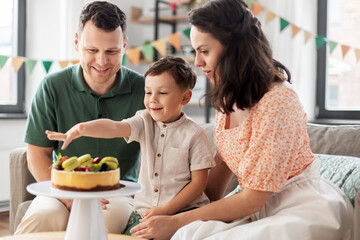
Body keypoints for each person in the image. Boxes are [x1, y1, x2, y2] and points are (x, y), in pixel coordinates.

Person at [129, 0, 354, 239]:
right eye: (196, 51)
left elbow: (253, 199)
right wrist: (172, 212)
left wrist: (175, 221)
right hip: (253, 206)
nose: (197, 62)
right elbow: (220, 170)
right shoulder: (228, 96)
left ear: (234, 49)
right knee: (189, 234)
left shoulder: (279, 101)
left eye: (204, 51)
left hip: (299, 206)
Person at [46, 56, 216, 234]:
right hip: (144, 213)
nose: (153, 100)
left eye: (162, 93)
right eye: (148, 92)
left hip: (185, 214)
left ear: (185, 97)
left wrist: (166, 211)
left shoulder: (195, 134)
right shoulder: (144, 120)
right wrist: (82, 129)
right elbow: (114, 127)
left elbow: (198, 184)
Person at [15, 1, 145, 235]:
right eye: (92, 50)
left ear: (124, 46)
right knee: (40, 219)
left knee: (100, 226)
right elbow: (37, 153)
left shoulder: (145, 89)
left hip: (117, 192)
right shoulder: (51, 86)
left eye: (112, 51)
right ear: (77, 44)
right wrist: (67, 198)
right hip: (61, 189)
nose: (102, 62)